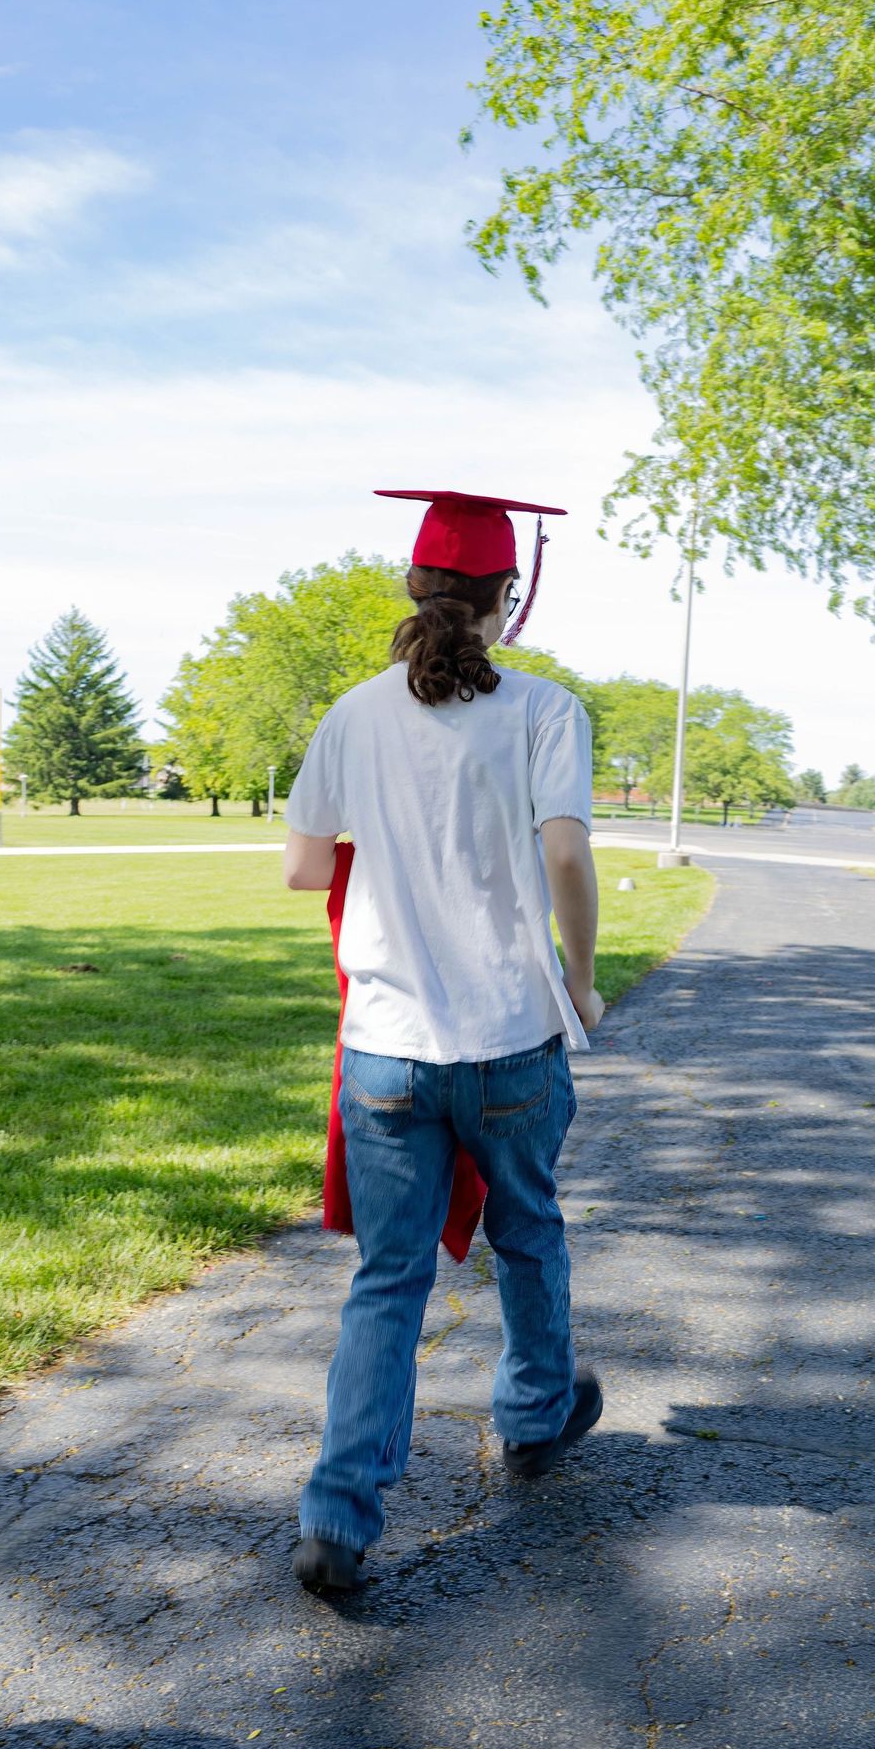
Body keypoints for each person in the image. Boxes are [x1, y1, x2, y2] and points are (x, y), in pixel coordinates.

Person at [283, 487, 605, 1594]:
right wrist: (583, 976)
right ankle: (532, 1415)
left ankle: (337, 1515)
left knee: (388, 1277)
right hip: (512, 1033)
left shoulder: (353, 713)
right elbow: (565, 854)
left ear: (414, 590)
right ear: (506, 600)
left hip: (386, 1047)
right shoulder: (547, 710)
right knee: (528, 1232)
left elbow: (305, 867)